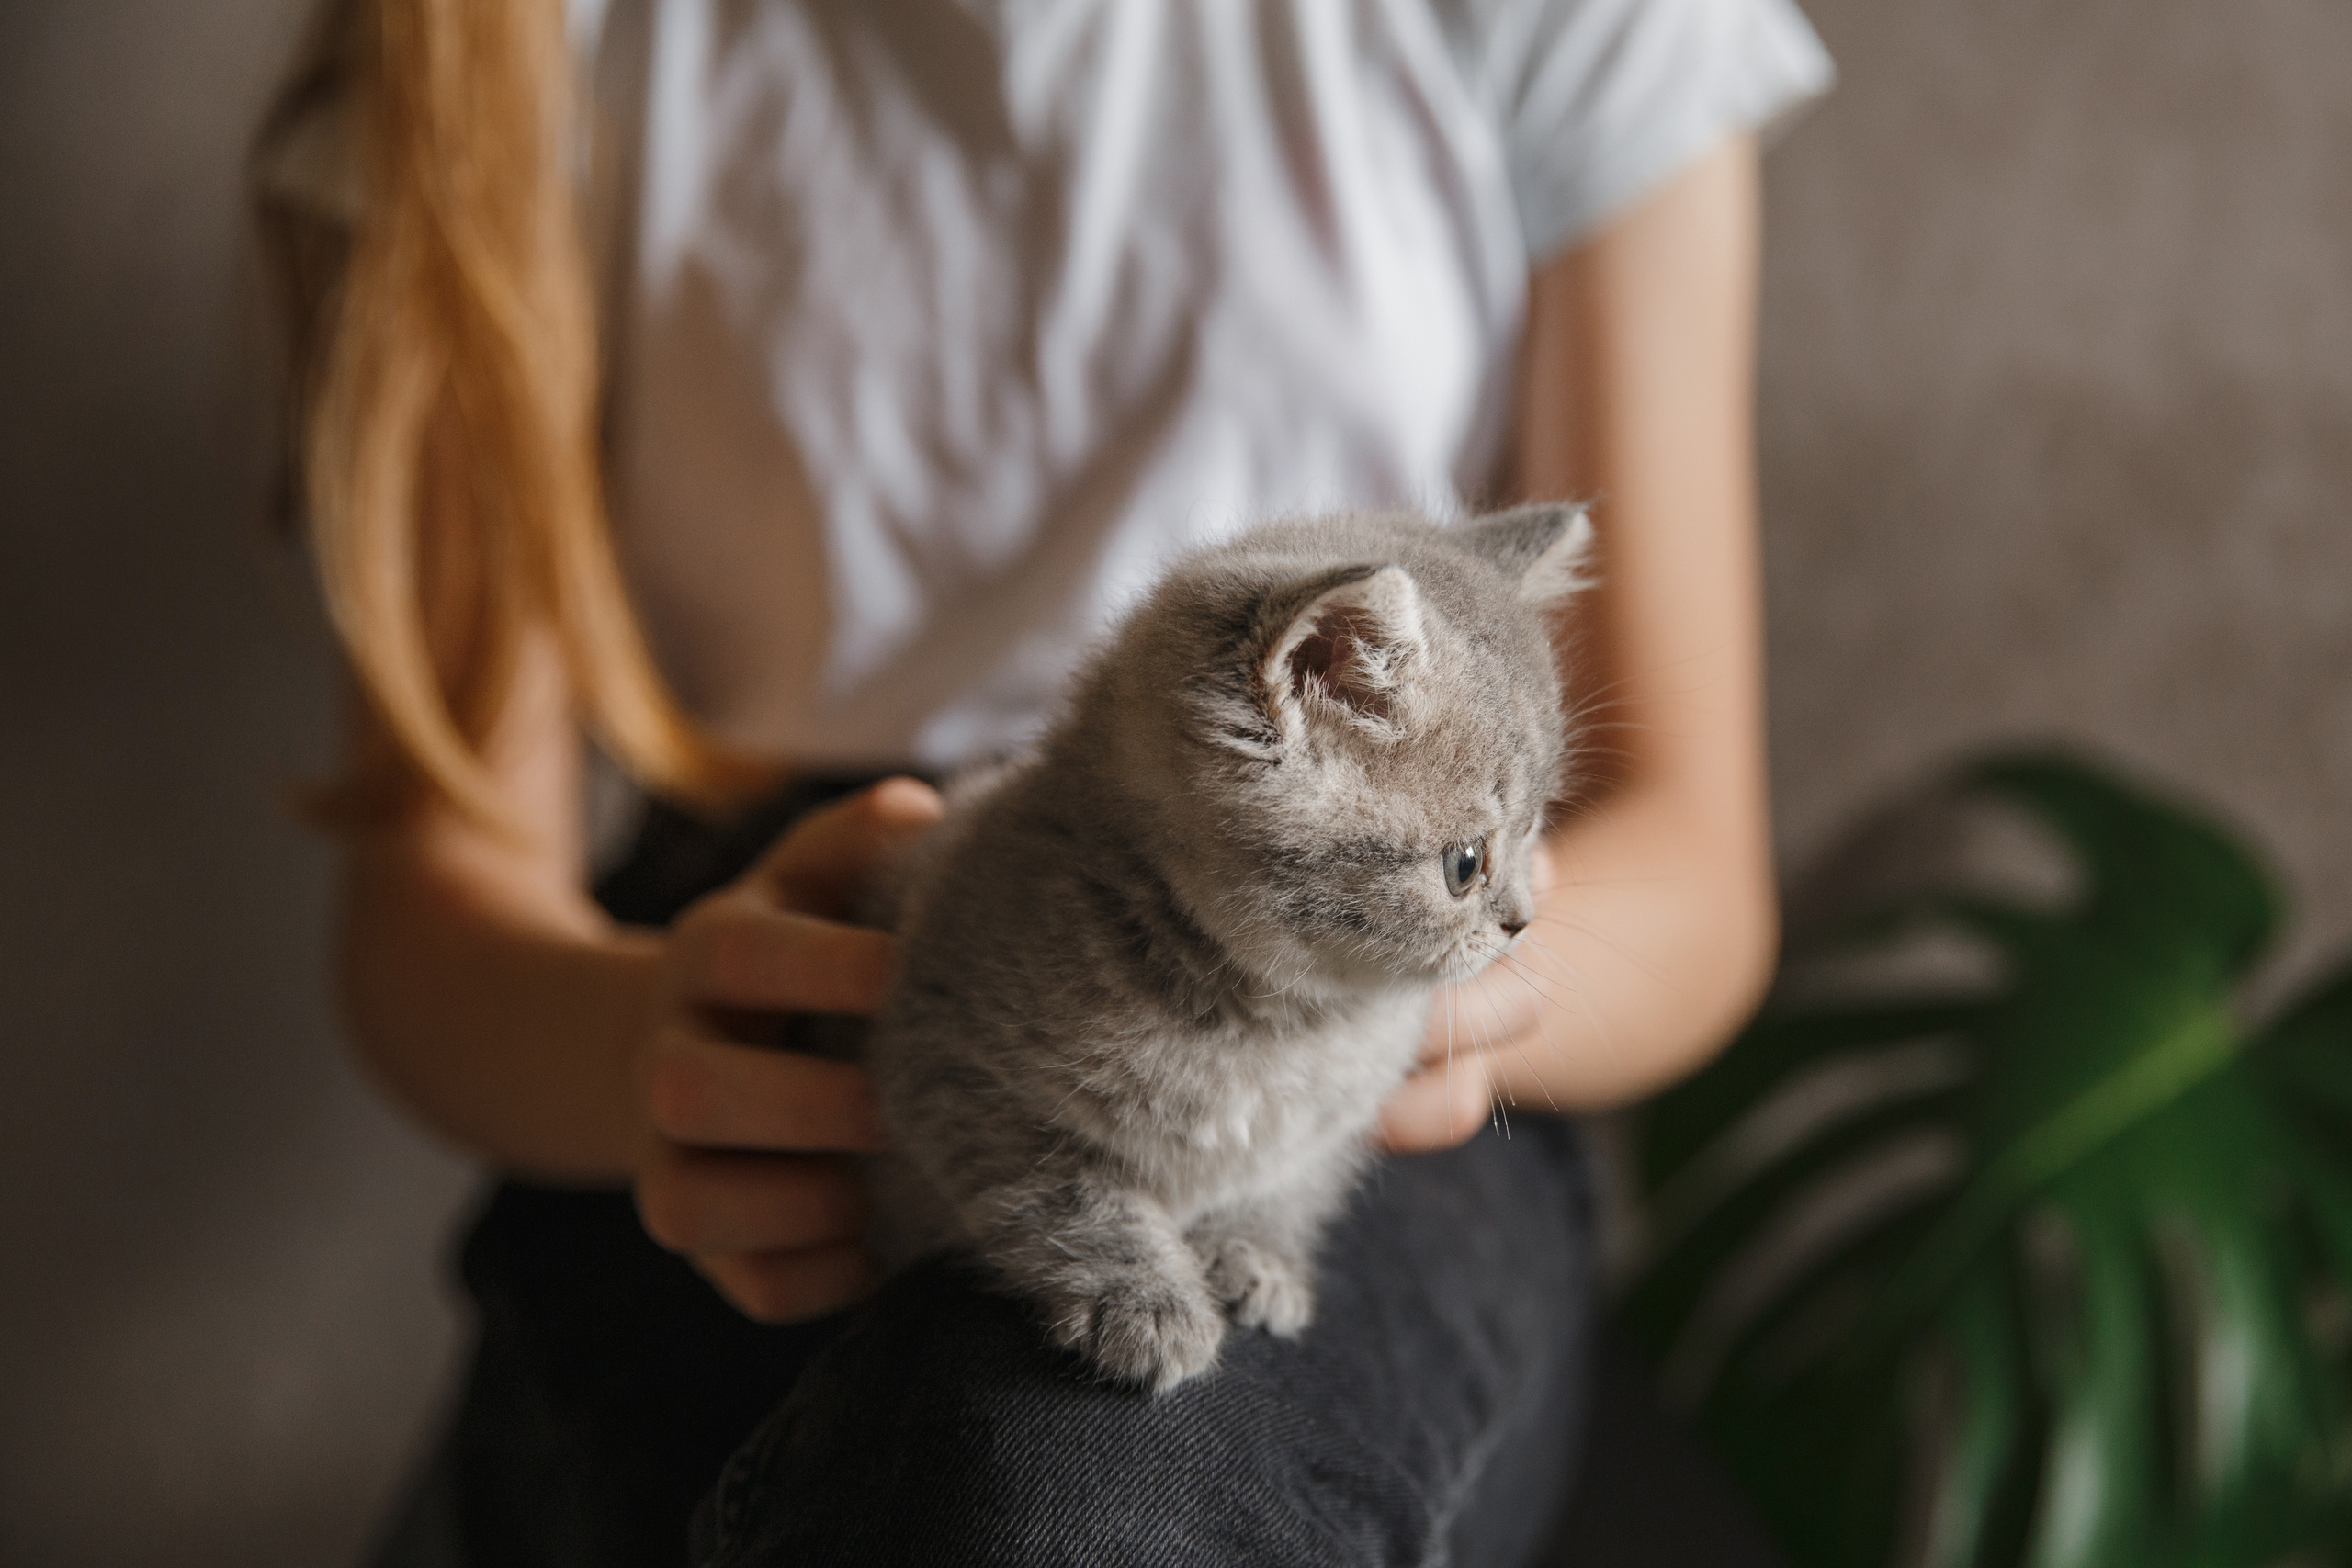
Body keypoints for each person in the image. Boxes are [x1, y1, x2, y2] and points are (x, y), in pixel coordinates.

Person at [254, 0, 1828, 1562]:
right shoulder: (500, 40)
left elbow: (1691, 876)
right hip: (763, 985)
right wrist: (673, 1052)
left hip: (1383, 1020)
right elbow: (429, 929)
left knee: (1092, 1490)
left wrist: (1429, 992)